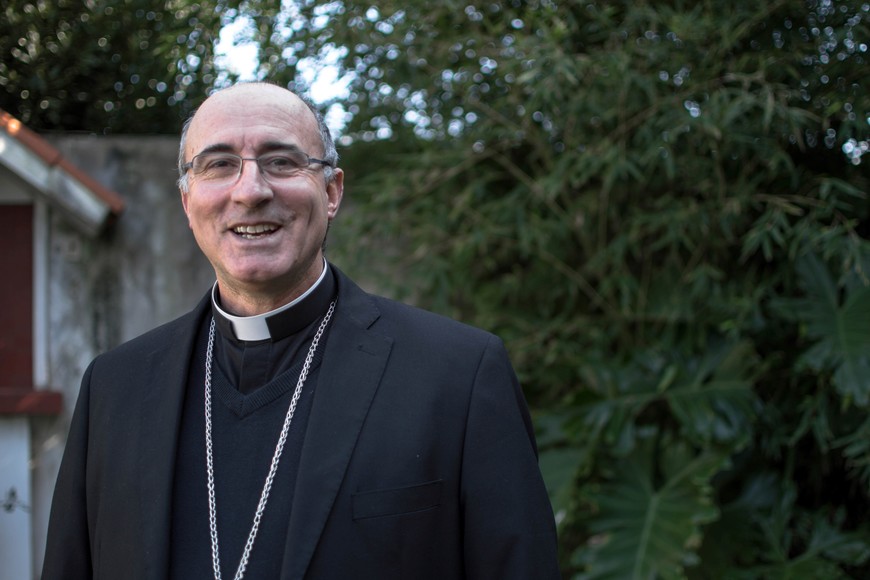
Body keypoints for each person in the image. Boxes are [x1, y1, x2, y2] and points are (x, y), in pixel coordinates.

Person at [42, 82, 560, 579]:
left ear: (331, 192)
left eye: (282, 161)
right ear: (188, 202)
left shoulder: (459, 375)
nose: (250, 191)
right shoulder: (115, 387)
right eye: (219, 164)